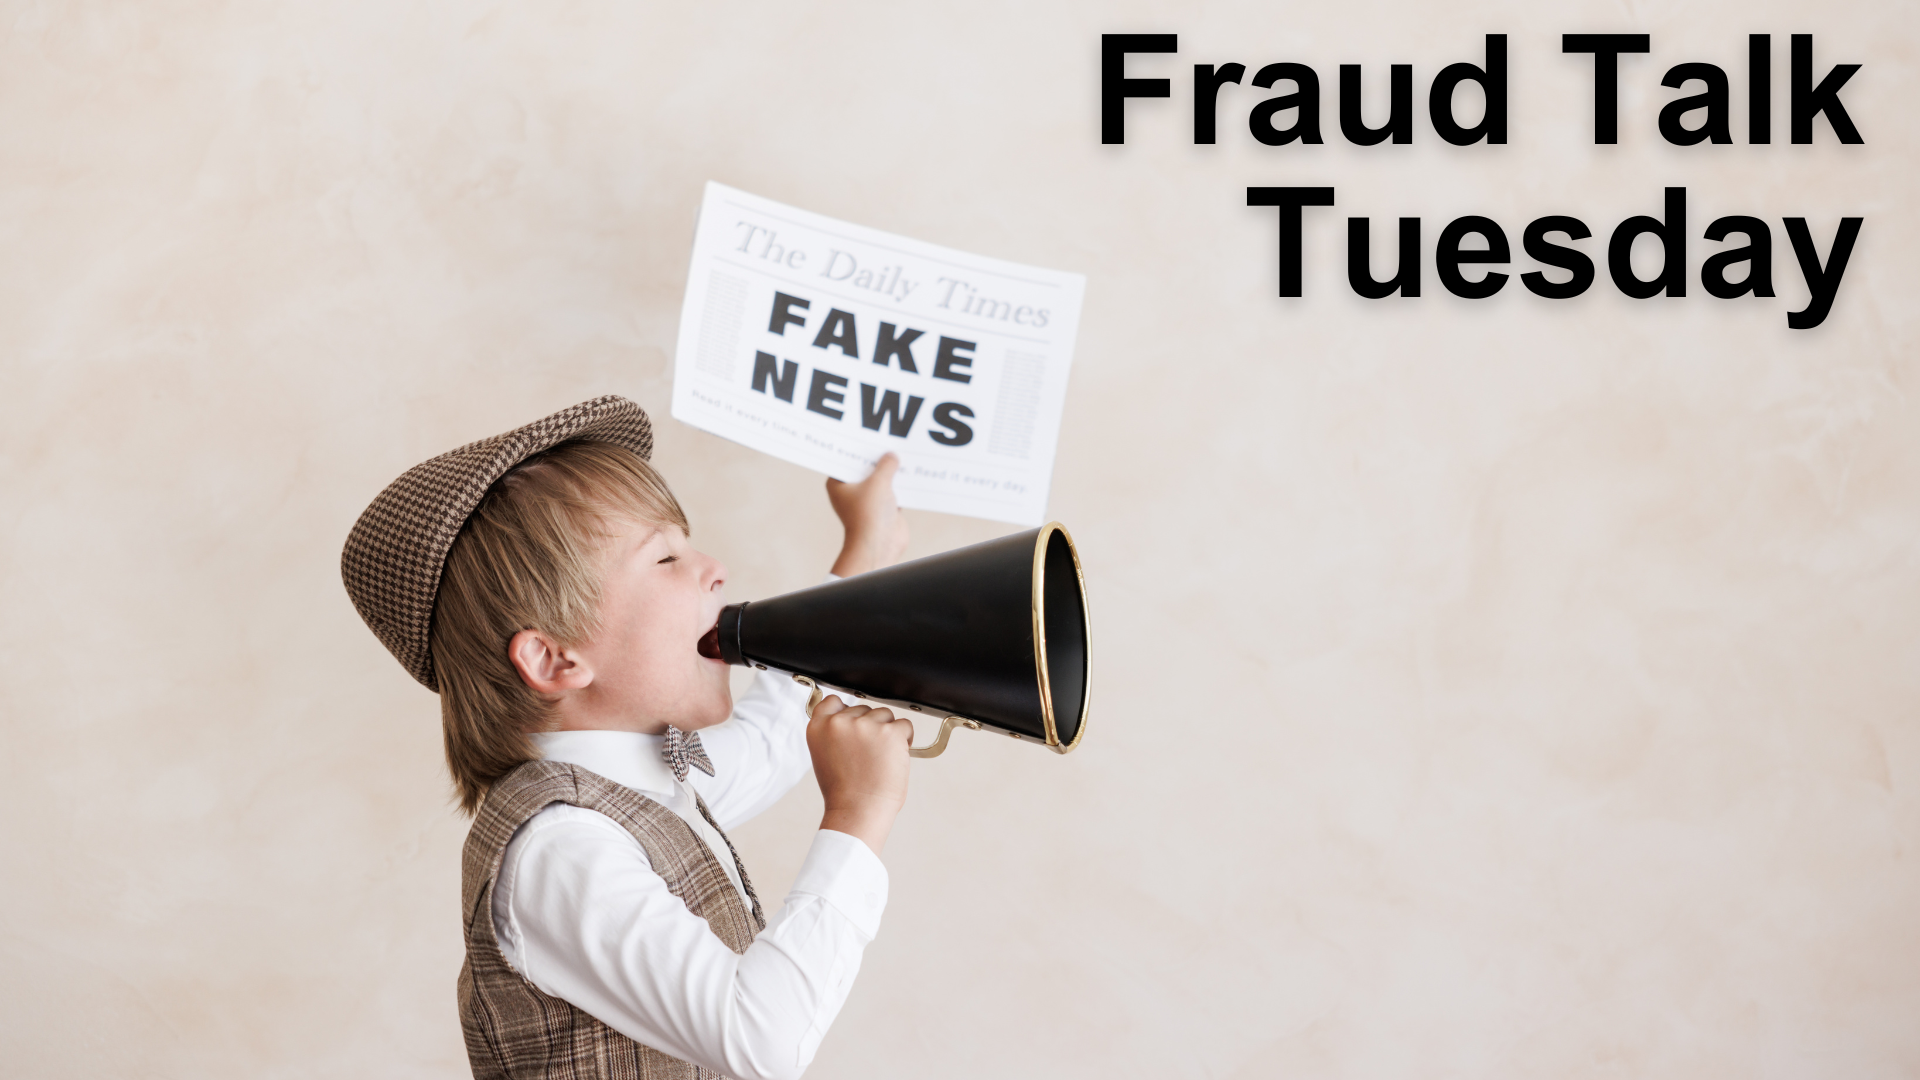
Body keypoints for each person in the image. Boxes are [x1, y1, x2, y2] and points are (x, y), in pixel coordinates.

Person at [340, 395, 913, 1080]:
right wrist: (857, 816)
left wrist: (867, 551)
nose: (714, 568)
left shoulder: (651, 777)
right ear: (555, 660)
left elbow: (772, 739)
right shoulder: (560, 847)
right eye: (667, 558)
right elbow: (763, 1037)